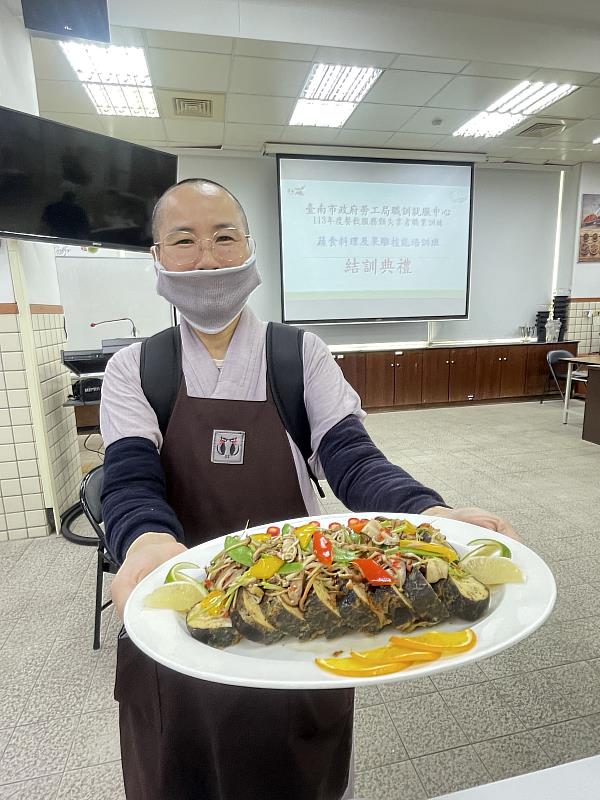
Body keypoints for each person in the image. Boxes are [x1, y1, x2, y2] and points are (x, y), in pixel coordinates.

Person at [100, 178, 518, 800]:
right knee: (179, 770)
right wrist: (145, 541)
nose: (208, 258)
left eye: (223, 237)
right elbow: (131, 475)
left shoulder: (301, 355)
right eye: (183, 241)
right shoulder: (134, 367)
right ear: (157, 258)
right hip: (180, 610)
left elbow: (352, 460)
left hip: (303, 599)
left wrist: (429, 512)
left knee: (297, 773)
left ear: (249, 248)